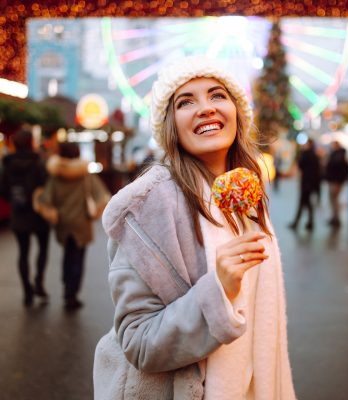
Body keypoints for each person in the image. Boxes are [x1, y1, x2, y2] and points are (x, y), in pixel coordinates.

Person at [93, 56, 296, 399]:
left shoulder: (247, 196)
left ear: (237, 113)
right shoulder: (149, 205)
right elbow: (138, 342)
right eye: (186, 101)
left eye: (218, 95)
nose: (205, 108)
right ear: (170, 124)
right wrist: (219, 291)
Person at [36, 142, 110, 309]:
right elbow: (101, 195)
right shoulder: (85, 174)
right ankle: (72, 294)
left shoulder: (56, 175)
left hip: (63, 222)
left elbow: (46, 200)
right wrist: (96, 212)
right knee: (78, 257)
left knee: (67, 256)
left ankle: (66, 289)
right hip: (81, 223)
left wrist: (51, 212)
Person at [0, 129, 50, 306]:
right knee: (43, 249)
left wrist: (15, 201)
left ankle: (27, 291)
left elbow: (3, 189)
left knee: (23, 253)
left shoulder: (8, 163)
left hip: (18, 213)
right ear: (31, 142)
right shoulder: (39, 162)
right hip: (38, 214)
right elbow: (46, 187)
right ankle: (39, 282)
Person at [288, 138, 321, 231]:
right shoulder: (315, 155)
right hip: (311, 183)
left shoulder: (306, 154)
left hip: (306, 183)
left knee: (302, 202)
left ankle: (296, 223)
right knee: (307, 203)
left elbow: (300, 164)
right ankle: (309, 222)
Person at [325, 140, 348, 227]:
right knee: (333, 199)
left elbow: (335, 166)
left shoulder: (339, 155)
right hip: (335, 180)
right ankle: (334, 217)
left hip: (336, 180)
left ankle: (336, 218)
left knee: (334, 199)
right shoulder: (340, 154)